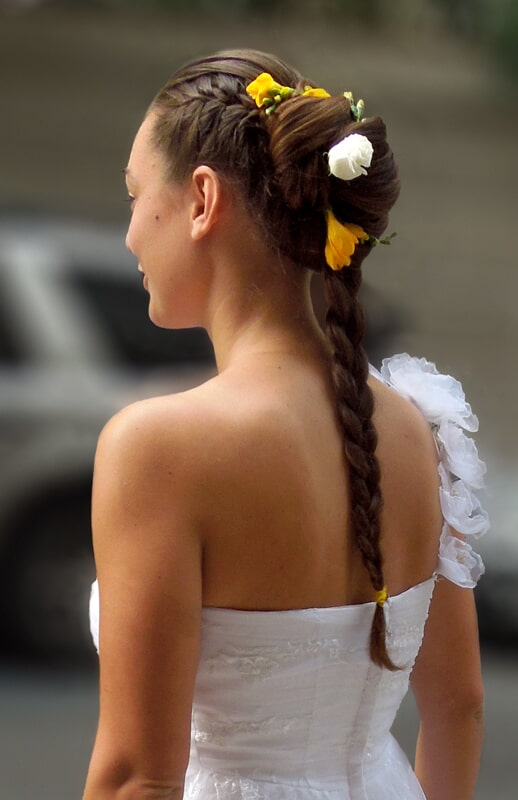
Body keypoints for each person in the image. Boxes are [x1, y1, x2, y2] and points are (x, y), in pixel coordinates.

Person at [83, 49, 488, 800]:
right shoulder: (418, 431)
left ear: (202, 200)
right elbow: (459, 707)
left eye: (135, 195)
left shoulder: (159, 450)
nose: (131, 233)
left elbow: (139, 777)